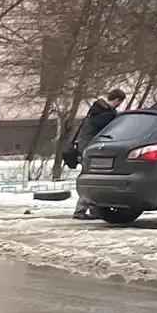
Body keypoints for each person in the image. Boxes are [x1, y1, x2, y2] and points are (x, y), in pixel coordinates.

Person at [62, 87, 128, 220]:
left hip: (85, 148)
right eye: (119, 103)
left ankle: (92, 209)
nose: (119, 105)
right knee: (92, 180)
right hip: (91, 150)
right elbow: (109, 132)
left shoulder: (97, 109)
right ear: (116, 100)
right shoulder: (105, 114)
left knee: (94, 179)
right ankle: (81, 210)